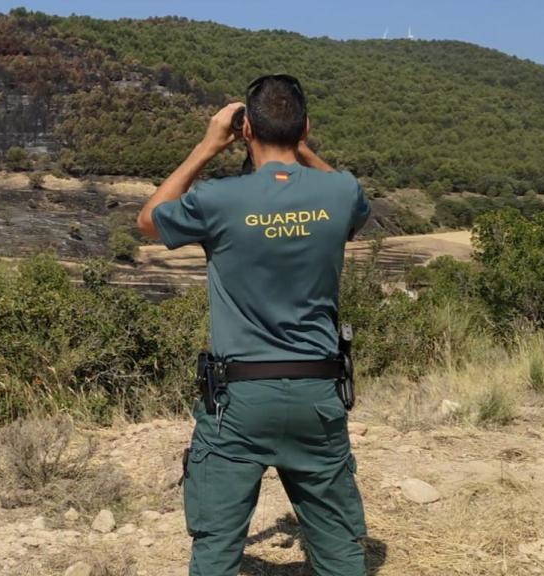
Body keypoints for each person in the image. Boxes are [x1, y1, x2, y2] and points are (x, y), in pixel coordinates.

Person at [136, 74, 372, 576]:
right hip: (318, 396)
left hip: (238, 401)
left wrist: (206, 145)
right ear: (305, 127)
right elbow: (356, 205)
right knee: (339, 553)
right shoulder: (340, 192)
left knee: (217, 550)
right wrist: (304, 151)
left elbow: (149, 220)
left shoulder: (219, 200)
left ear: (244, 132)